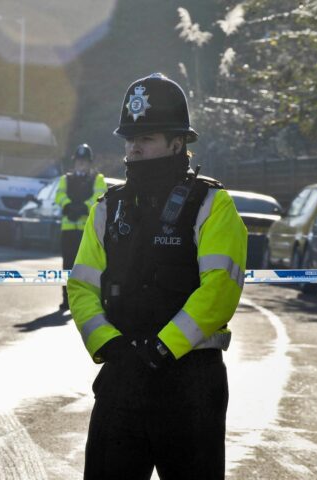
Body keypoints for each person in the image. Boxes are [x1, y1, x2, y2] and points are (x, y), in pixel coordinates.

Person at [67, 73, 247, 479]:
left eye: (146, 137)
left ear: (177, 143)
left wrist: (163, 348)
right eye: (130, 137)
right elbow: (81, 286)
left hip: (190, 384)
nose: (133, 146)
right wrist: (109, 346)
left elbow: (220, 289)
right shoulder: (107, 207)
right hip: (121, 377)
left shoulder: (212, 205)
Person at [54, 144, 107, 311]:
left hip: (87, 231)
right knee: (67, 266)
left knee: (88, 266)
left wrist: (84, 208)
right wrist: (68, 206)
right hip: (68, 229)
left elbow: (99, 196)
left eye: (84, 162)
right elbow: (59, 195)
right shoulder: (66, 179)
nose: (81, 164)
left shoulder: (97, 179)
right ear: (74, 162)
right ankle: (66, 299)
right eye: (79, 161)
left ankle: (88, 301)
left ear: (89, 163)